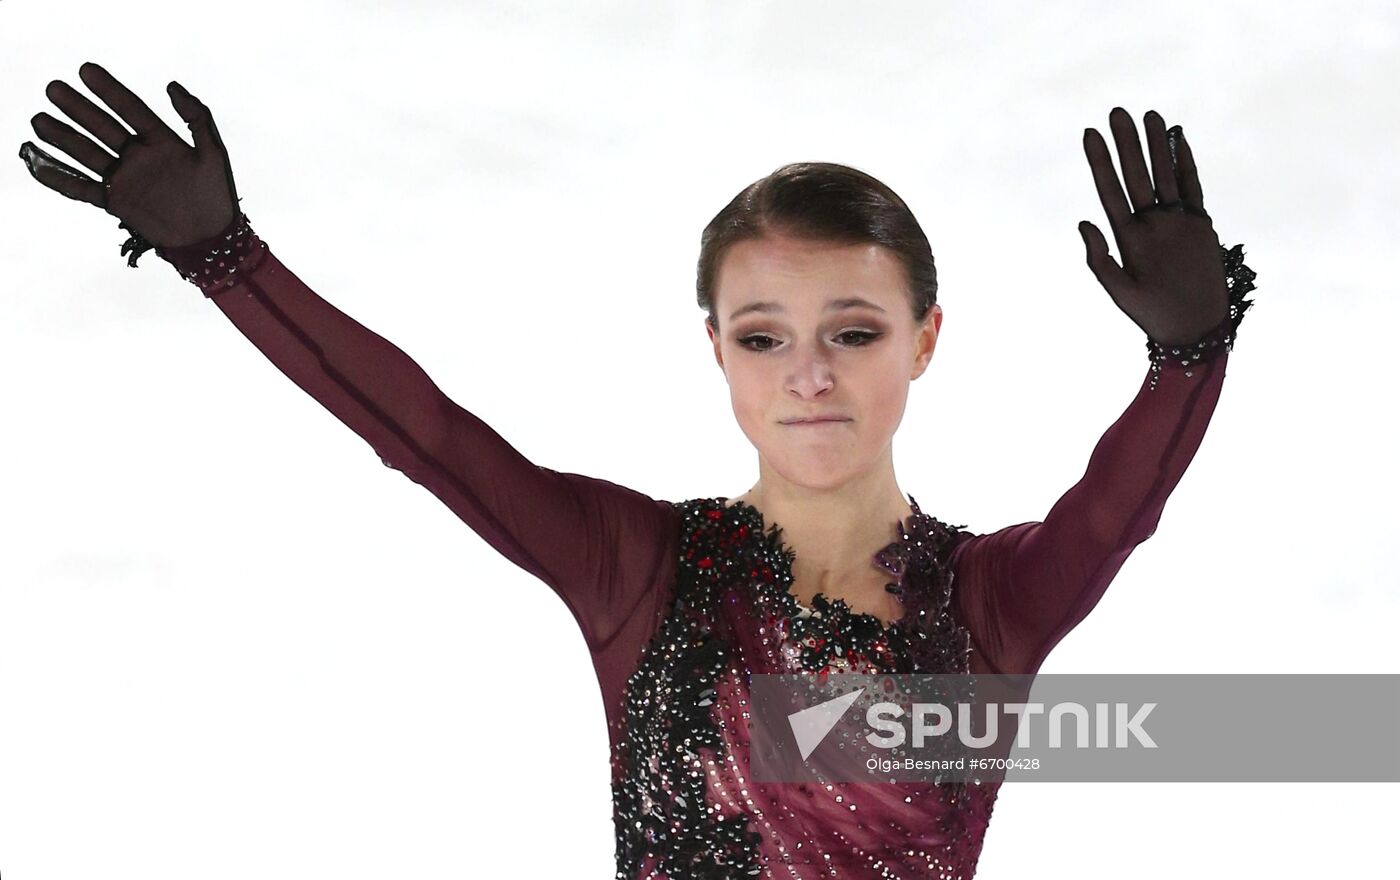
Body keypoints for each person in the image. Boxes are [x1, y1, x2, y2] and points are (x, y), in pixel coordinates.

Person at [20, 61, 1255, 879]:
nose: (807, 374)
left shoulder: (987, 604)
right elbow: (431, 438)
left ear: (925, 339)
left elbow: (1113, 514)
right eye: (763, 336)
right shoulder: (642, 569)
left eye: (854, 330)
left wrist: (1187, 354)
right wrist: (228, 260)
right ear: (714, 350)